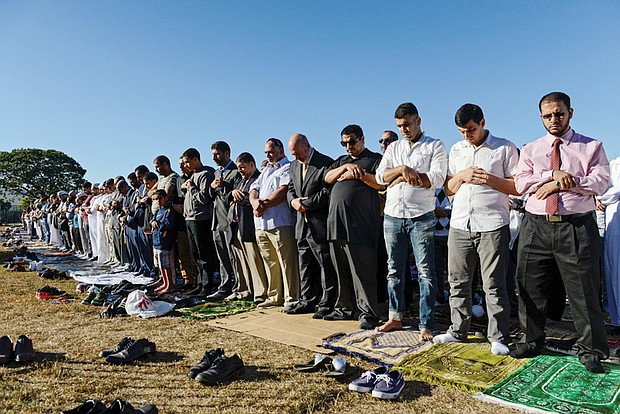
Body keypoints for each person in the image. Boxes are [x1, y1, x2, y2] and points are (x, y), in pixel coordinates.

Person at [512, 92, 610, 373]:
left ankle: (591, 349)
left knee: (583, 289)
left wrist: (570, 181)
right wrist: (551, 176)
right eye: (548, 115)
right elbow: (521, 182)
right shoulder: (530, 149)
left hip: (576, 225)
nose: (554, 119)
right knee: (530, 286)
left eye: (559, 113)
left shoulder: (591, 147)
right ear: (540, 117)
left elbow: (601, 181)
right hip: (535, 225)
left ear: (570, 113)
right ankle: (531, 340)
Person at [433, 104, 518, 355]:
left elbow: (517, 186)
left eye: (470, 129)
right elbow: (448, 188)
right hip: (460, 223)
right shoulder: (457, 149)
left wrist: (488, 179)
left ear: (482, 122)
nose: (466, 136)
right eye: (461, 131)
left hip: (492, 222)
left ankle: (498, 336)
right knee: (457, 281)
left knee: (494, 283)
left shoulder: (504, 147)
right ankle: (458, 330)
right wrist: (462, 176)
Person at [374, 103, 448, 340]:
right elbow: (380, 177)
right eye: (399, 126)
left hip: (421, 216)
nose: (404, 129)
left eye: (407, 124)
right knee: (394, 270)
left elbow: (437, 178)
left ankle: (426, 323)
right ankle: (395, 317)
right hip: (393, 215)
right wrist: (401, 169)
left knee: (426, 271)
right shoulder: (393, 147)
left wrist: (407, 178)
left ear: (418, 120)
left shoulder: (435, 145)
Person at [324, 124, 384, 330]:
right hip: (336, 224)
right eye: (344, 143)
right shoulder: (341, 161)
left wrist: (358, 174)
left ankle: (368, 313)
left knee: (362, 271)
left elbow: (381, 183)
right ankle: (344, 308)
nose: (348, 146)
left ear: (362, 139)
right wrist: (345, 168)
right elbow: (327, 178)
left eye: (352, 141)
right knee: (341, 269)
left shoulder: (375, 159)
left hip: (360, 225)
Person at [286, 133, 338, 318]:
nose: (296, 158)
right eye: (293, 155)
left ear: (307, 146)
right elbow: (291, 189)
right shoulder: (293, 166)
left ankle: (327, 302)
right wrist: (293, 202)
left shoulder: (325, 162)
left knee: (325, 264)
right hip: (301, 224)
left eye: (298, 154)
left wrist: (307, 204)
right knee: (305, 264)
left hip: (320, 223)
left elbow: (329, 191)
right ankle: (307, 300)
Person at [250, 138, 299, 310]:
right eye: (266, 153)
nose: (268, 155)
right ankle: (275, 295)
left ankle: (291, 297)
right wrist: (255, 202)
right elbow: (253, 189)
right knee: (271, 262)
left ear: (280, 150)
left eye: (271, 151)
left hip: (280, 222)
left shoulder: (288, 167)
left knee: (287, 262)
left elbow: (282, 191)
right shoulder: (266, 170)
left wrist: (263, 204)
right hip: (262, 224)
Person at [228, 152, 268, 302]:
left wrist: (240, 197)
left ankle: (260, 293)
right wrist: (233, 193)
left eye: (243, 167)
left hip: (249, 224)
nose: (240, 170)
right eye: (238, 168)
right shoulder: (239, 180)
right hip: (236, 225)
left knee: (254, 260)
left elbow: (253, 199)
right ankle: (244, 290)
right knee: (241, 261)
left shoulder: (258, 178)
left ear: (252, 164)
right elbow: (230, 196)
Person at [181, 148, 219, 296]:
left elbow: (204, 198)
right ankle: (199, 282)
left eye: (187, 162)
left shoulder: (205, 175)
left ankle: (207, 284)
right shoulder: (192, 176)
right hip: (189, 218)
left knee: (204, 254)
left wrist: (191, 187)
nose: (186, 165)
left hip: (200, 218)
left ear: (195, 159)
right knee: (195, 254)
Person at [208, 141, 239, 301]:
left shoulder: (236, 171)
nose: (214, 158)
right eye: (213, 154)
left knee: (233, 256)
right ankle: (225, 286)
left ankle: (237, 286)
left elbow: (234, 196)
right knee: (222, 257)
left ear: (227, 153)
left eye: (217, 154)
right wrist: (212, 187)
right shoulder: (216, 173)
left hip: (229, 220)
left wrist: (223, 188)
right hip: (217, 221)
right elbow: (211, 197)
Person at [151, 189, 177, 295]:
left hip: (165, 241)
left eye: (159, 198)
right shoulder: (158, 211)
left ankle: (170, 285)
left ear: (166, 198)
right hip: (156, 241)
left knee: (166, 265)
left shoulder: (169, 211)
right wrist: (153, 222)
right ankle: (164, 282)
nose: (158, 201)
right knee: (160, 265)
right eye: (155, 199)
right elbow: (152, 220)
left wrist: (157, 225)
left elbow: (168, 225)